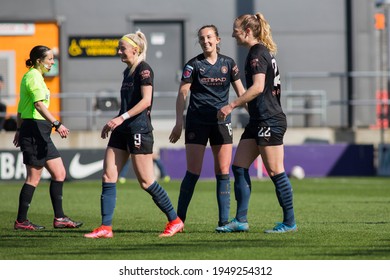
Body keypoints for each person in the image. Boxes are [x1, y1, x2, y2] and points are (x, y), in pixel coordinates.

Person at [84, 31, 183, 239]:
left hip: (139, 129)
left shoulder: (144, 70)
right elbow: (127, 105)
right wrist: (114, 122)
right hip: (122, 129)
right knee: (108, 176)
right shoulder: (127, 72)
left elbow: (146, 101)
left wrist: (122, 118)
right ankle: (106, 227)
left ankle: (175, 220)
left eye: (122, 48)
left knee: (146, 181)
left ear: (135, 50)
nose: (118, 51)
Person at [216, 13, 297, 233]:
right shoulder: (259, 51)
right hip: (258, 119)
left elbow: (258, 87)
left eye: (236, 29)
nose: (233, 33)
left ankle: (289, 222)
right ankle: (240, 220)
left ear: (247, 31)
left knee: (275, 171)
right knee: (239, 167)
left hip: (269, 119)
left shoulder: (257, 53)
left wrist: (231, 105)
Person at [169, 25, 245, 230]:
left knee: (222, 171)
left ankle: (223, 222)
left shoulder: (228, 64)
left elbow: (242, 93)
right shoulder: (193, 65)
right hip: (197, 122)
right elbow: (182, 94)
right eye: (202, 38)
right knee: (193, 171)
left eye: (209, 37)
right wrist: (179, 122)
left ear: (218, 40)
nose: (205, 41)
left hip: (221, 123)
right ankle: (178, 221)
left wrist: (256, 113)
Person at [13, 45, 83, 230]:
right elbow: (37, 105)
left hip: (39, 130)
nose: (53, 62)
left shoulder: (36, 77)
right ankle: (21, 221)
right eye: (50, 59)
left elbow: (21, 107)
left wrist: (19, 130)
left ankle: (59, 218)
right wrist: (57, 123)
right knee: (33, 178)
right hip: (35, 130)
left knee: (59, 174)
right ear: (39, 61)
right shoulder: (33, 77)